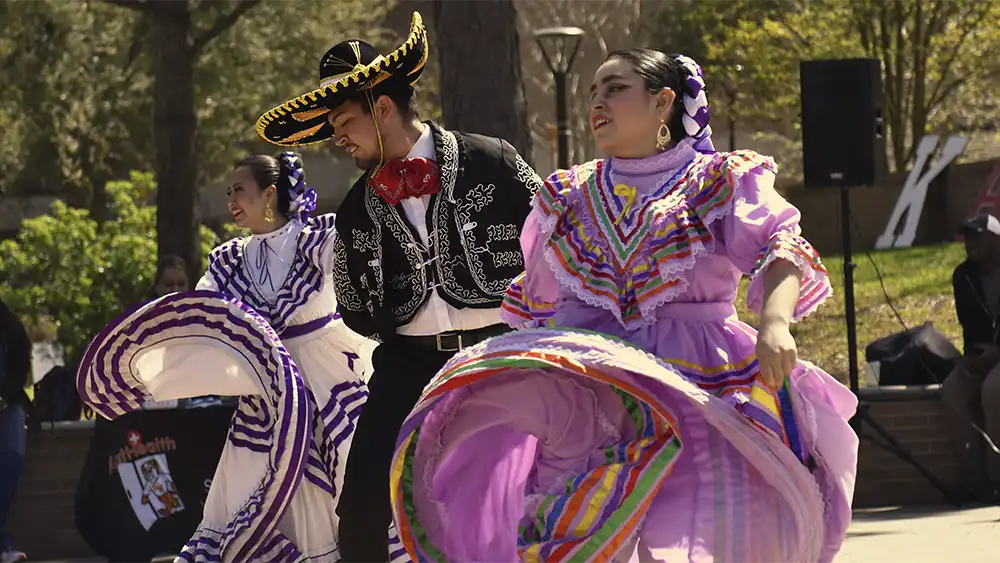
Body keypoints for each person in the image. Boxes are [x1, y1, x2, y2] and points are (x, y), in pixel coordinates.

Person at [385, 51, 859, 562]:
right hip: (591, 395)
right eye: (593, 93)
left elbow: (780, 245)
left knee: (689, 536)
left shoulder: (717, 179)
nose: (597, 102)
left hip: (696, 385)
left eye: (614, 88)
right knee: (575, 539)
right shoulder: (567, 194)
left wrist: (774, 323)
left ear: (662, 103)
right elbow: (538, 308)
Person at [255, 11, 539, 561]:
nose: (337, 138)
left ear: (381, 107)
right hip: (409, 365)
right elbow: (356, 308)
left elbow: (553, 241)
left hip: (500, 350)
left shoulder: (493, 159)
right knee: (361, 501)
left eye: (343, 122)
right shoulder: (357, 206)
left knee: (526, 485)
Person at [77, 152, 376, 562]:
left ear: (269, 193)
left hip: (327, 385)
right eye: (228, 191)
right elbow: (196, 321)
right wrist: (135, 366)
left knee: (350, 488)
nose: (231, 199)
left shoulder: (318, 239)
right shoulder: (227, 261)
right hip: (267, 396)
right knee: (266, 495)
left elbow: (368, 279)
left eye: (239, 189)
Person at [942, 213, 1000, 503]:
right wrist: (971, 359)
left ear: (996, 239)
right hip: (983, 355)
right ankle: (974, 481)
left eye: (978, 237)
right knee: (952, 391)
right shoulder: (963, 276)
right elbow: (970, 323)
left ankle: (997, 480)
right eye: (968, 238)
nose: (971, 244)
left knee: (994, 390)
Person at [0, 300, 30, 563]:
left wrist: (5, 396)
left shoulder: (9, 325)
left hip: (7, 405)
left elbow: (21, 369)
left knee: (12, 453)